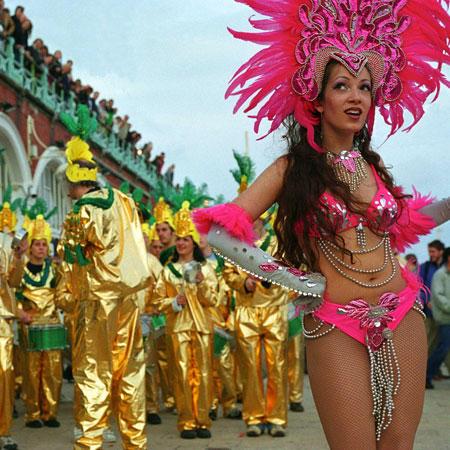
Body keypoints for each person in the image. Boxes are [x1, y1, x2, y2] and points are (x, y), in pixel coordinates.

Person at [194, 1, 450, 448]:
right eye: (342, 85)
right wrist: (295, 280)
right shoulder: (290, 168)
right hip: (336, 322)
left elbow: (404, 226)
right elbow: (218, 231)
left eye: (365, 88)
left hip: (403, 311)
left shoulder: (373, 165)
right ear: (316, 96)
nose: (356, 97)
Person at [55, 106, 150, 449]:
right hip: (128, 299)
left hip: (96, 300)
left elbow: (70, 257)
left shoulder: (82, 210)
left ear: (73, 181)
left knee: (93, 372)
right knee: (129, 373)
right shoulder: (123, 200)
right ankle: (135, 443)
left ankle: (91, 443)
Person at [152, 201, 217, 439]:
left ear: (193, 243)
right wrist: (173, 302)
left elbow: (213, 300)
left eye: (186, 239)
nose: (181, 243)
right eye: (178, 238)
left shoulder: (206, 269)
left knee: (203, 374)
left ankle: (203, 421)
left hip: (201, 327)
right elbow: (156, 301)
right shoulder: (167, 271)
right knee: (180, 375)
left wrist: (200, 285)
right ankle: (187, 422)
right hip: (177, 328)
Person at [222, 218, 290, 437]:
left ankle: (276, 418)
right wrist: (243, 283)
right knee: (250, 367)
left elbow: (289, 270)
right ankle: (254, 418)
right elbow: (228, 274)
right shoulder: (233, 243)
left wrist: (269, 278)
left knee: (277, 366)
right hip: (246, 309)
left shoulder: (278, 243)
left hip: (274, 309)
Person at [11, 214, 62, 429]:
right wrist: (20, 313)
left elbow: (62, 293)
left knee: (52, 371)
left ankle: (50, 413)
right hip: (29, 326)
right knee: (31, 374)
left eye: (44, 245)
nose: (41, 248)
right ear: (30, 248)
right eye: (37, 245)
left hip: (50, 326)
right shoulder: (20, 270)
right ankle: (33, 414)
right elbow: (13, 291)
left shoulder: (54, 270)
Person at [0, 200, 27, 450]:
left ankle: (3, 431)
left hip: (1, 320)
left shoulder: (5, 244)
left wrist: (18, 256)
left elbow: (15, 282)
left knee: (4, 374)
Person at [426, 247, 450, 388]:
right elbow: (438, 297)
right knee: (442, 348)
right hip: (444, 318)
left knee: (444, 347)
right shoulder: (440, 275)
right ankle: (426, 375)